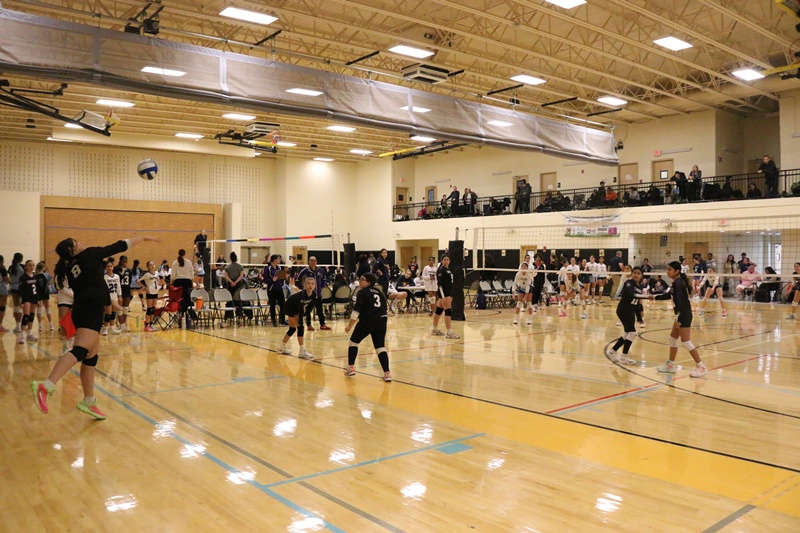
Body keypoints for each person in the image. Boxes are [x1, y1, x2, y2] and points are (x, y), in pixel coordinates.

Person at [32, 235, 158, 419]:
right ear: (72, 249)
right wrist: (143, 238)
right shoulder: (90, 254)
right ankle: (46, 385)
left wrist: (111, 303)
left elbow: (95, 284)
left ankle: (89, 401)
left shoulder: (71, 268)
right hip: (90, 308)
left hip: (83, 308)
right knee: (81, 350)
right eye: (76, 242)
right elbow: (120, 245)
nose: (81, 242)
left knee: (91, 357)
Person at [653, 261, 708, 377]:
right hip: (681, 314)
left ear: (677, 271)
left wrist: (679, 319)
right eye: (667, 269)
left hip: (683, 314)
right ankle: (670, 365)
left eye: (669, 270)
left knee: (686, 342)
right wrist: (654, 297)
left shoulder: (679, 283)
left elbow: (681, 303)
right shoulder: (676, 282)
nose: (667, 272)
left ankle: (701, 366)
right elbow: (669, 295)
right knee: (672, 339)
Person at [344, 273, 392, 381]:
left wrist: (349, 326)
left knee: (353, 342)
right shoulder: (379, 292)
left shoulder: (362, 292)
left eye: (362, 279)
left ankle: (351, 368)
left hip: (368, 320)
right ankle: (387, 373)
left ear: (369, 282)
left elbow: (356, 310)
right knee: (380, 347)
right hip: (381, 320)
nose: (360, 281)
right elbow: (385, 308)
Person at [606, 266, 649, 364]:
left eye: (638, 273)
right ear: (631, 274)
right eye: (634, 273)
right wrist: (644, 296)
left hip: (630, 311)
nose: (636, 275)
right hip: (623, 310)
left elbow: (637, 303)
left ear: (642, 275)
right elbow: (630, 293)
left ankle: (612, 351)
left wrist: (639, 318)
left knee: (627, 333)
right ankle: (624, 357)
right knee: (632, 333)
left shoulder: (640, 286)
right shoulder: (629, 283)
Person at [277, 276, 316, 360]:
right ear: (305, 285)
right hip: (289, 308)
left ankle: (281, 347)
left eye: (312, 284)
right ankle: (302, 351)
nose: (310, 285)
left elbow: (310, 307)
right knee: (300, 327)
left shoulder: (314, 294)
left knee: (292, 329)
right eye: (308, 284)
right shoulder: (302, 295)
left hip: (295, 309)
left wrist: (304, 315)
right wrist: (300, 318)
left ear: (315, 285)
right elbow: (300, 308)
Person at [295, 256, 331, 331]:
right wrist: (303, 287)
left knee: (320, 310)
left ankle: (322, 324)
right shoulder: (305, 270)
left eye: (314, 260)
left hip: (318, 294)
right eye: (311, 260)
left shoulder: (320, 270)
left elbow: (324, 279)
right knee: (308, 310)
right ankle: (309, 325)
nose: (313, 262)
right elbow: (297, 279)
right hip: (308, 295)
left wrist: (322, 287)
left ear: (316, 262)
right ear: (309, 262)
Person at [431, 255, 460, 338]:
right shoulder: (441, 270)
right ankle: (449, 332)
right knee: (448, 311)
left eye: (448, 259)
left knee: (439, 310)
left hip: (448, 293)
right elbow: (440, 284)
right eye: (444, 259)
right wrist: (443, 296)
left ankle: (434, 329)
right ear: (442, 261)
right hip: (444, 293)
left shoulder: (448, 270)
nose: (446, 261)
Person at [172, 249, 197, 329]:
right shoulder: (188, 262)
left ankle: (182, 314)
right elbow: (192, 272)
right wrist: (191, 279)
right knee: (188, 299)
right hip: (187, 282)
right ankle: (189, 315)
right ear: (184, 254)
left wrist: (172, 282)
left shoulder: (175, 263)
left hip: (178, 282)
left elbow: (173, 274)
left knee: (181, 300)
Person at [17, 260, 39, 344]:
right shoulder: (23, 277)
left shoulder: (36, 276)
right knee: (26, 315)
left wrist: (38, 299)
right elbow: (21, 290)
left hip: (34, 297)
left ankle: (29, 333)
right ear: (26, 266)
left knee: (32, 315)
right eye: (29, 265)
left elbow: (38, 289)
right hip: (26, 298)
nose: (32, 267)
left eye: (33, 265)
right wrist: (22, 301)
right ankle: (22, 335)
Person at [101, 260, 123, 336]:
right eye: (108, 266)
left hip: (114, 296)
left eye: (111, 266)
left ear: (113, 267)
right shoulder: (104, 277)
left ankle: (112, 328)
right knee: (108, 313)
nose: (109, 268)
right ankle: (105, 329)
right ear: (105, 268)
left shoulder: (117, 276)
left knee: (113, 313)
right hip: (107, 297)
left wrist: (120, 296)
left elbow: (119, 286)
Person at [138, 260, 161, 332]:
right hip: (149, 292)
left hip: (155, 292)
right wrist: (145, 288)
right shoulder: (147, 274)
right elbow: (138, 281)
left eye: (153, 264)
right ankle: (147, 325)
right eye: (150, 265)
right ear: (148, 267)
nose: (152, 266)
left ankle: (151, 324)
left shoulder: (156, 273)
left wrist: (158, 284)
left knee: (153, 309)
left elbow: (158, 278)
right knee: (149, 309)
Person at [264, 254, 286, 327]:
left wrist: (284, 277)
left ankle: (282, 320)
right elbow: (265, 279)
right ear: (274, 260)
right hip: (272, 289)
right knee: (272, 305)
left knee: (282, 304)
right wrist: (272, 280)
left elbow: (281, 278)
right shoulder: (268, 268)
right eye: (278, 259)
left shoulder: (279, 268)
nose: (279, 260)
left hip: (279, 288)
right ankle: (273, 321)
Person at [223, 251, 245, 322]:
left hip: (230, 284)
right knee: (238, 300)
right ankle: (239, 315)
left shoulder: (227, 267)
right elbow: (241, 276)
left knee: (229, 300)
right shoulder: (240, 267)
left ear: (230, 258)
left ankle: (229, 316)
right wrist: (236, 282)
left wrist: (231, 282)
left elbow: (226, 276)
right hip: (238, 284)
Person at [34, 261, 55, 332]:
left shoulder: (35, 276)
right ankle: (51, 325)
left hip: (37, 294)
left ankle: (40, 326)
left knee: (39, 310)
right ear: (43, 268)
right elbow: (51, 281)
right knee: (47, 309)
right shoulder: (46, 275)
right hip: (45, 293)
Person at [115, 255, 133, 332]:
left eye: (126, 261)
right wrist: (122, 271)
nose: (125, 263)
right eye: (123, 261)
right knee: (120, 308)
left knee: (126, 308)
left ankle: (124, 325)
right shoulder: (116, 269)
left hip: (127, 290)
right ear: (120, 261)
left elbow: (130, 281)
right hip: (119, 290)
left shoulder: (129, 270)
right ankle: (121, 324)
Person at [9, 252, 24, 332]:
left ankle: (17, 325)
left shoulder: (11, 267)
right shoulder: (21, 268)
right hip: (20, 287)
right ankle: (20, 325)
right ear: (21, 259)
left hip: (13, 287)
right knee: (20, 305)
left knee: (16, 305)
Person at [0, 255, 8, 333]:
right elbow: (6, 280)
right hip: (1, 288)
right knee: (2, 307)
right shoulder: (2, 269)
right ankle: (0, 325)